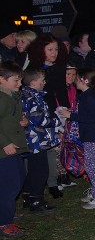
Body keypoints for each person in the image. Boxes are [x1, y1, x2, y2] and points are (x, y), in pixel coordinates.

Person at [59, 69, 95, 209]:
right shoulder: (86, 95)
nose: (74, 81)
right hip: (88, 135)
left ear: (83, 80)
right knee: (90, 164)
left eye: (77, 78)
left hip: (92, 136)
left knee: (91, 166)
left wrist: (71, 116)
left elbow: (91, 118)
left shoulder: (89, 97)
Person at [20, 67, 63, 205]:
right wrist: (56, 121)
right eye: (42, 81)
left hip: (35, 139)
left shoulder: (30, 96)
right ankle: (36, 198)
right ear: (33, 82)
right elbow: (39, 119)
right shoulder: (32, 98)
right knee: (40, 170)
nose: (44, 83)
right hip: (36, 140)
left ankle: (28, 195)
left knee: (34, 169)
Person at [0, 62, 29, 238]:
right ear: (1, 79)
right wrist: (4, 143)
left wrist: (22, 121)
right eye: (16, 80)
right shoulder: (1, 98)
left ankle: (6, 212)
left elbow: (9, 118)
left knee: (18, 179)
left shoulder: (11, 95)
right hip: (5, 149)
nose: (19, 84)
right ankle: (4, 222)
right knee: (9, 184)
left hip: (14, 146)